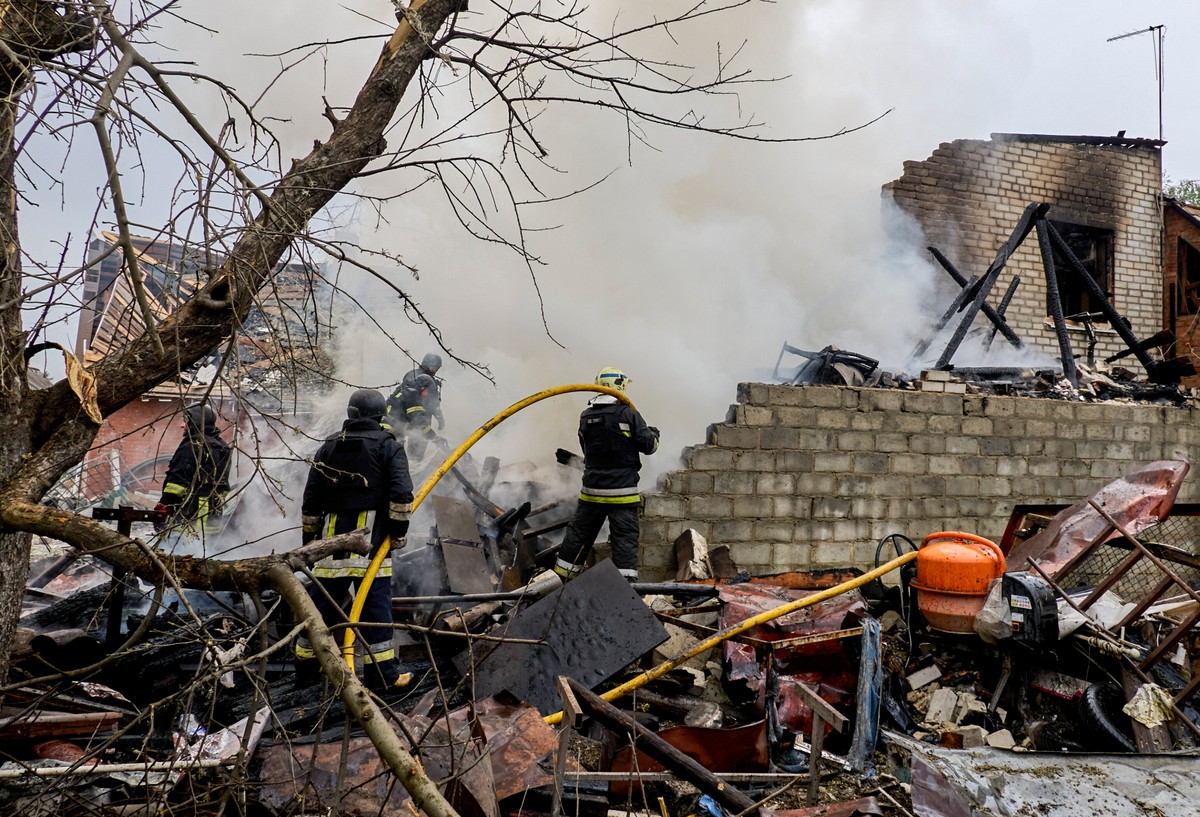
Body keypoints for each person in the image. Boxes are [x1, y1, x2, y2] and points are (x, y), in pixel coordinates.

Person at [294, 389, 415, 692]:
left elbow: (311, 499)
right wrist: (398, 533)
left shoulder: (329, 447)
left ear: (351, 414)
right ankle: (382, 673)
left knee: (320, 606)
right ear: (381, 415)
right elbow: (401, 495)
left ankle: (306, 667)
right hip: (371, 543)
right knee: (375, 609)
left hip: (331, 546)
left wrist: (311, 542)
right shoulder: (389, 447)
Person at [554, 367, 660, 582]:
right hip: (622, 493)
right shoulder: (628, 413)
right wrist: (654, 433)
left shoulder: (586, 416)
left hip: (591, 491)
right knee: (624, 540)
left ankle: (559, 583)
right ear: (619, 386)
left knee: (578, 536)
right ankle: (624, 588)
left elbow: (587, 451)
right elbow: (649, 446)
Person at [155, 403, 232, 536]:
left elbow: (177, 483)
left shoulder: (193, 445)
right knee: (205, 555)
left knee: (176, 555)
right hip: (213, 519)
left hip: (188, 520)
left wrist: (164, 504)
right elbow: (222, 486)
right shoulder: (222, 446)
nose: (182, 425)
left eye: (186, 421)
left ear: (194, 421)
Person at [386, 353, 445, 463]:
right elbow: (415, 410)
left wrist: (439, 418)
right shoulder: (414, 382)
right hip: (405, 419)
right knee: (401, 450)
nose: (435, 369)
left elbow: (433, 403)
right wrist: (433, 437)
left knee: (415, 442)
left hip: (415, 418)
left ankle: (413, 463)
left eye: (437, 367)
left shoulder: (429, 380)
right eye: (433, 366)